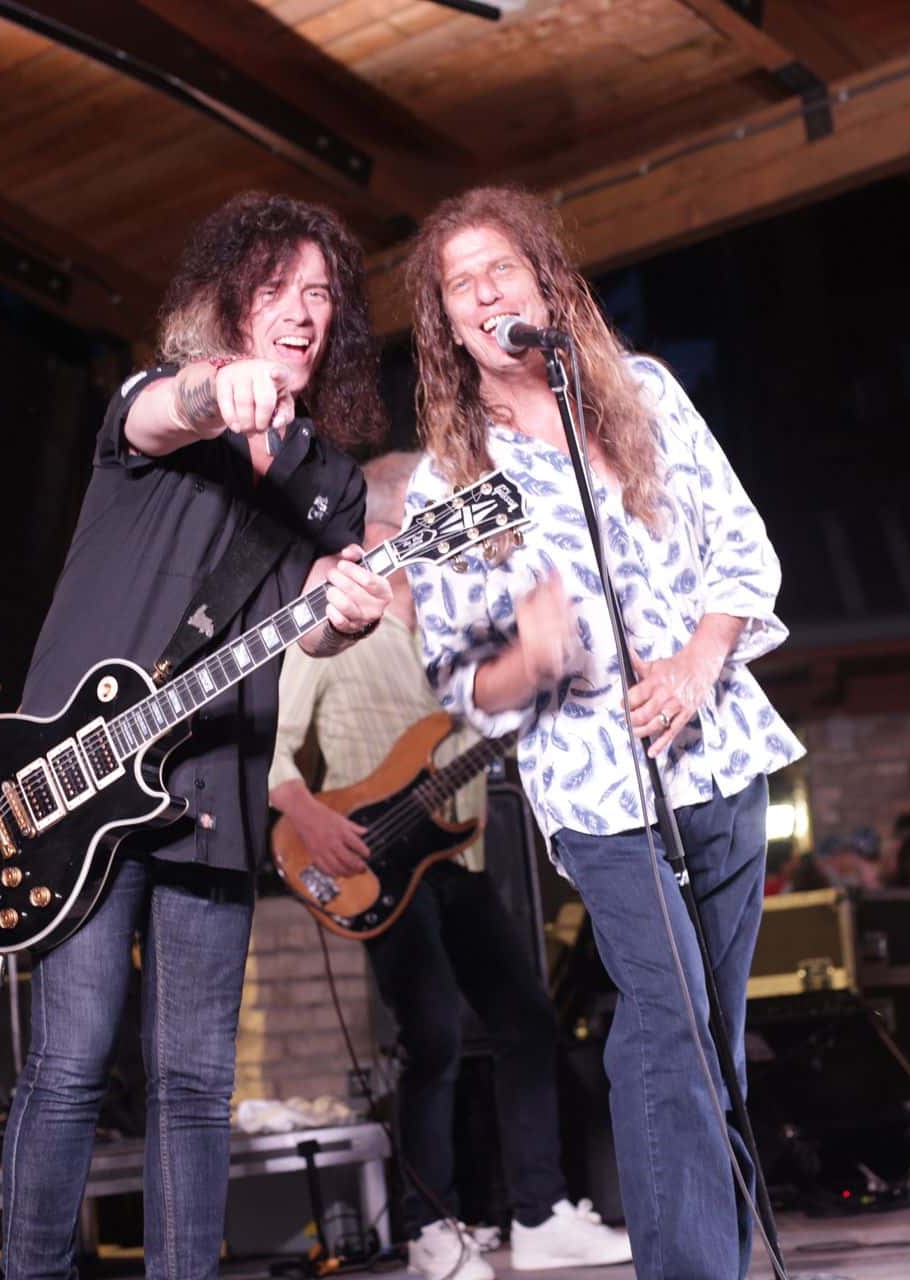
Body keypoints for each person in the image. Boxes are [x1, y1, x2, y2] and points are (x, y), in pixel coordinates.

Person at [399, 185, 804, 1280]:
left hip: (718, 747)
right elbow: (461, 677)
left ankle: (700, 1250)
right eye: (459, 283)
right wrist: (531, 655)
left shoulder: (646, 396)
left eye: (502, 270)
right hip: (595, 787)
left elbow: (744, 549)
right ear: (445, 325)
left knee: (702, 1040)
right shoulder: (454, 483)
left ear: (545, 284)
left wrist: (694, 661)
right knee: (669, 1018)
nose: (486, 292)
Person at [0, 192, 393, 1280]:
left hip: (215, 777)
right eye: (277, 290)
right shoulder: (155, 404)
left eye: (321, 295)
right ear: (227, 302)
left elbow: (304, 621)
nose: (304, 313)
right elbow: (159, 412)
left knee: (191, 1081)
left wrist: (339, 607)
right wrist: (221, 388)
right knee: (71, 1063)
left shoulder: (332, 483)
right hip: (75, 782)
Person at [269, 451, 630, 1279]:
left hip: (454, 859)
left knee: (527, 1020)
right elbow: (276, 764)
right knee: (429, 1037)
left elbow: (480, 726)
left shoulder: (452, 630)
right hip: (370, 867)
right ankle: (432, 1230)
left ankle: (538, 1216)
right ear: (399, 525)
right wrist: (316, 820)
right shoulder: (331, 631)